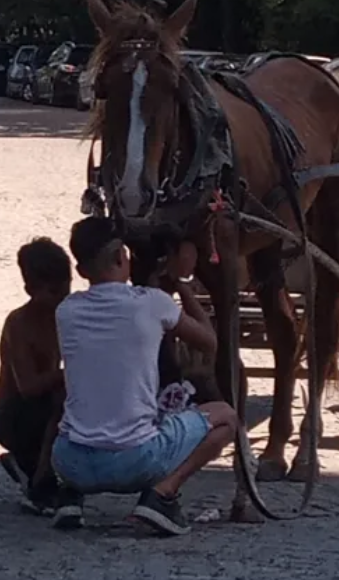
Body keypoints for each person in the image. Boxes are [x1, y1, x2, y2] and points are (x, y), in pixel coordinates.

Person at [51, 217, 237, 536]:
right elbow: (209, 341)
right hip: (135, 462)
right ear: (123, 257)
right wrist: (180, 286)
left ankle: (69, 494)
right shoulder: (152, 304)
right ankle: (162, 495)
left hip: (71, 461)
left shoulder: (66, 311)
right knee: (226, 417)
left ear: (81, 271)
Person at [0, 238, 72, 515]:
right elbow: (27, 386)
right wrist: (68, 374)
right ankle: (41, 478)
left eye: (66, 289)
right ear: (30, 289)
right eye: (53, 293)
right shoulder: (19, 323)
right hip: (15, 414)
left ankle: (38, 467)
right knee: (62, 399)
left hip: (47, 406)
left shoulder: (64, 316)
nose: (61, 298)